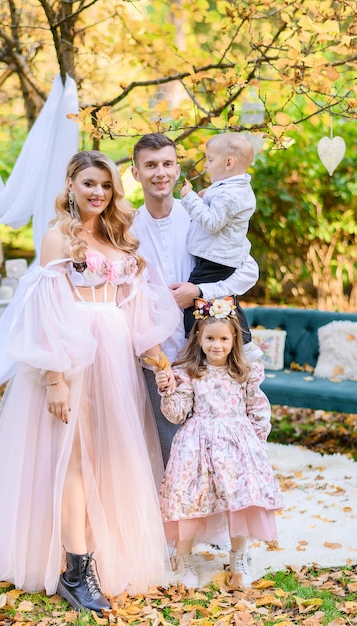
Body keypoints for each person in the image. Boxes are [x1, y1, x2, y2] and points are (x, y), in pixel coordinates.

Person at [0, 151, 180, 615]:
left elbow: (136, 309)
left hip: (116, 363)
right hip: (75, 358)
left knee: (109, 459)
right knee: (74, 460)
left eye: (106, 186)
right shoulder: (57, 239)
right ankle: (75, 570)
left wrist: (155, 359)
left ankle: (107, 553)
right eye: (89, 183)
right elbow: (47, 310)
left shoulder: (119, 238)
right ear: (71, 184)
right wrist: (55, 379)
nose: (98, 193)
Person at [130, 132, 260, 466]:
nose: (161, 172)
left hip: (208, 353)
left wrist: (200, 292)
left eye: (168, 164)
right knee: (167, 453)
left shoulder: (202, 215)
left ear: (176, 169)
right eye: (151, 165)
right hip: (156, 353)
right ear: (135, 172)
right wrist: (152, 352)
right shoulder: (128, 229)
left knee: (218, 456)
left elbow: (247, 272)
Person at [154, 298, 283, 589]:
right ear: (198, 337)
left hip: (237, 445)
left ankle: (239, 556)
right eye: (210, 338)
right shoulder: (188, 373)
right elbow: (176, 414)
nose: (216, 345)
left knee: (238, 500)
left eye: (223, 338)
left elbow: (257, 407)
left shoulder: (244, 372)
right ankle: (183, 559)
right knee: (189, 499)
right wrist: (167, 390)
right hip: (196, 445)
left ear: (234, 339)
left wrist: (257, 441)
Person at [180, 132, 256, 340]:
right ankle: (241, 341)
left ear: (229, 162)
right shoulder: (232, 188)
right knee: (223, 303)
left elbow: (212, 223)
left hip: (215, 261)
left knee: (198, 305)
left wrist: (190, 199)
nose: (205, 165)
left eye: (210, 160)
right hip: (217, 258)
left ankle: (200, 343)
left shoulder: (231, 193)